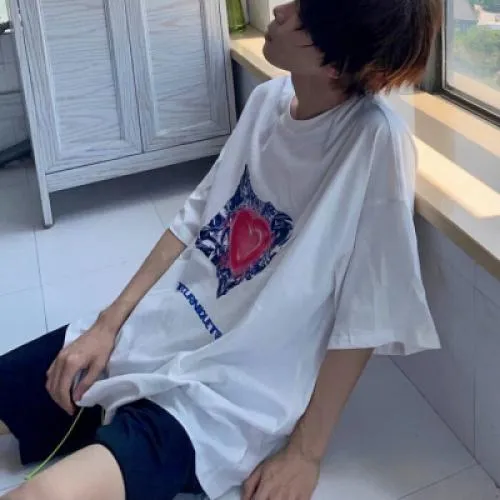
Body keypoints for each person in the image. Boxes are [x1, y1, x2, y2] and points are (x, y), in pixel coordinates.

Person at [0, 1, 443, 499]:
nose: (279, 10)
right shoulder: (268, 100)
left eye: (302, 12)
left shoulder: (375, 143)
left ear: (337, 63)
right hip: (165, 330)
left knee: (42, 494)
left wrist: (306, 452)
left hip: (228, 398)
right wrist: (108, 324)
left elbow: (368, 310)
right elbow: (196, 214)